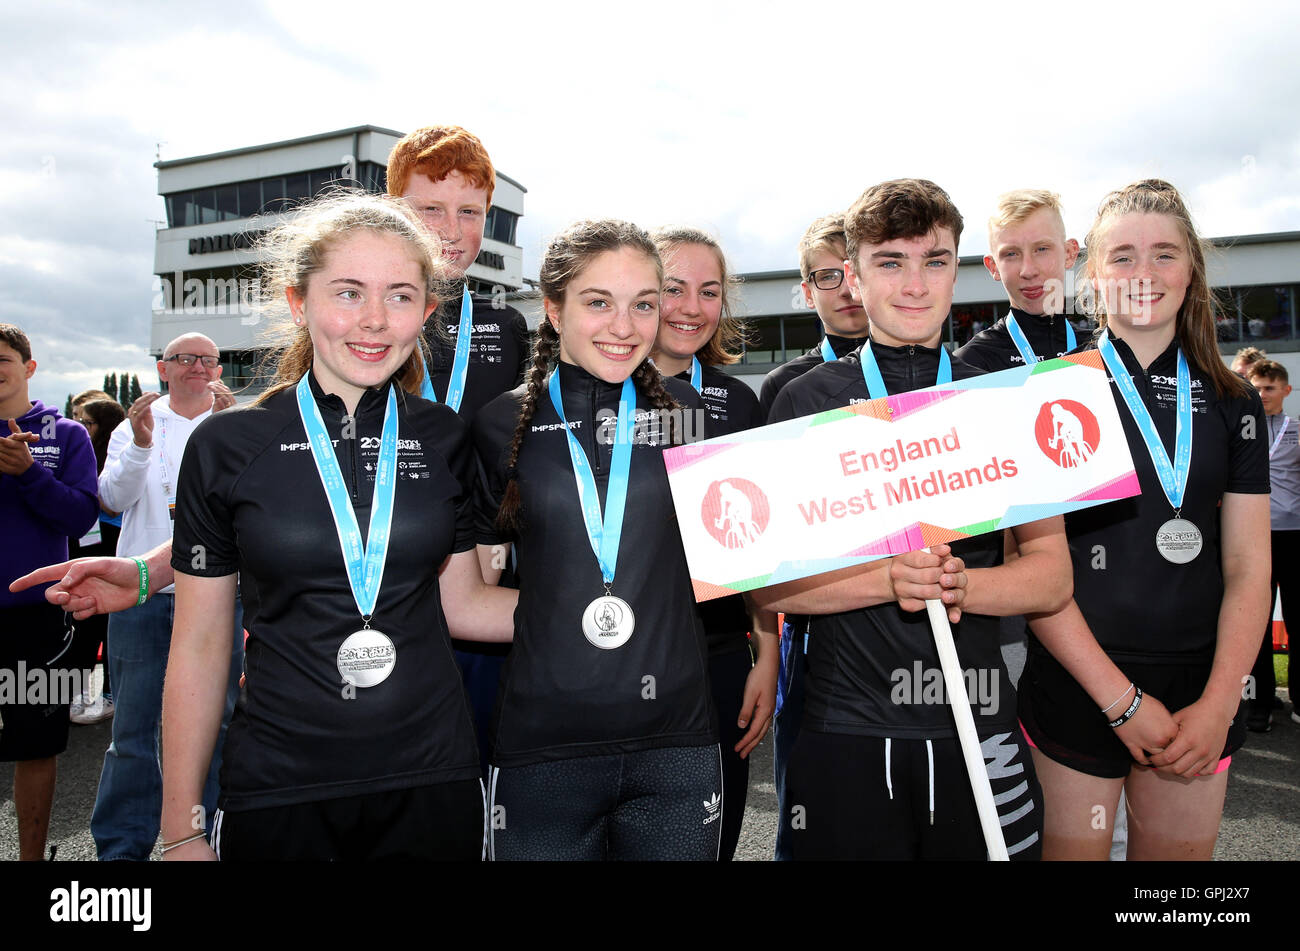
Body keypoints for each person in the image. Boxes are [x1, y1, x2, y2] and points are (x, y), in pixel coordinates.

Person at [157, 192, 517, 860]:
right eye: (348, 292)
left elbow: (463, 601)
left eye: (401, 296)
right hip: (279, 787)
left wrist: (644, 605)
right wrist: (180, 824)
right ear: (299, 302)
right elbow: (202, 645)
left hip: (434, 778)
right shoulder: (227, 445)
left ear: (427, 311)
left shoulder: (442, 437)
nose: (375, 320)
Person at [757, 179, 1072, 860]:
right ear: (854, 276)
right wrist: (892, 579)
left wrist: (960, 586)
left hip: (978, 723)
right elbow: (767, 588)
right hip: (846, 729)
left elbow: (1050, 579)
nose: (914, 284)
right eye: (890, 262)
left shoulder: (1003, 401)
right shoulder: (802, 401)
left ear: (956, 270)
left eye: (934, 261)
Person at [1018, 179, 1271, 860]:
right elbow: (1039, 573)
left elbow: (1249, 566)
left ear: (1191, 270)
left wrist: (1220, 702)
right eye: (1122, 256)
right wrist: (1121, 702)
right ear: (1093, 274)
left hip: (1199, 692)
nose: (1144, 274)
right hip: (1079, 681)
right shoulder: (1052, 388)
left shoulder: (1232, 398)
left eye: (1164, 254)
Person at [473, 219, 720, 860]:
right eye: (597, 302)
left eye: (642, 303)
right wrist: (558, 615)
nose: (623, 325)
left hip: (677, 743)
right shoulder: (500, 424)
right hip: (542, 745)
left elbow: (747, 558)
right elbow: (464, 595)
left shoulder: (691, 419)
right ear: (553, 310)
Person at [386, 125, 533, 772]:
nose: (451, 227)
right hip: (377, 587)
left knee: (475, 780)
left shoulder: (506, 325)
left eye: (469, 211)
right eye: (430, 209)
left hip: (483, 582)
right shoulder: (366, 318)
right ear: (394, 211)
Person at [648, 226, 776, 861]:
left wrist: (767, 654)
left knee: (715, 840)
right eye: (673, 289)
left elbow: (758, 545)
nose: (691, 309)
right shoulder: (589, 394)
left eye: (709, 292)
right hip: (619, 659)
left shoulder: (738, 401)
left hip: (719, 653)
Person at [90, 333, 243, 860]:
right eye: (185, 359)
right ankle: (121, 851)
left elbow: (239, 504)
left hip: (215, 595)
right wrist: (139, 443)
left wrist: (222, 428)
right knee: (132, 728)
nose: (199, 367)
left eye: (208, 359)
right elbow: (112, 497)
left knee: (218, 724)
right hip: (140, 598)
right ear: (163, 369)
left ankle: (211, 838)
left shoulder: (234, 424)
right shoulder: (135, 426)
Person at [758, 213, 870, 860]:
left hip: (916, 630)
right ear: (806, 289)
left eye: (854, 269)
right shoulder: (786, 387)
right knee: (808, 820)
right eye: (828, 275)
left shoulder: (935, 370)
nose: (846, 288)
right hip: (816, 633)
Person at [0, 323, 99, 860]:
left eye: (4, 358)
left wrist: (27, 473)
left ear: (29, 367)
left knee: (35, 744)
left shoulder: (65, 435)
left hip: (37, 619)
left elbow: (82, 516)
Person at [956, 189, 1081, 371]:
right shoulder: (970, 364)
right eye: (1011, 254)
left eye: (1042, 249)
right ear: (994, 267)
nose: (1028, 271)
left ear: (1069, 254)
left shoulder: (1101, 351)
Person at [1244, 360, 1298, 732]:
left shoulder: (1296, 429)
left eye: (1270, 388)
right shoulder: (1240, 427)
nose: (1263, 395)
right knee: (1254, 622)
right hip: (1250, 537)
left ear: (1286, 391)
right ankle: (1259, 703)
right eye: (1257, 387)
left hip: (1293, 535)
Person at [67, 393, 126, 725]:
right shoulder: (75, 453)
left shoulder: (115, 456)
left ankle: (109, 693)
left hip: (113, 546)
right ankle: (76, 692)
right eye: (76, 418)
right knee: (80, 624)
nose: (79, 426)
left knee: (109, 625)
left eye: (86, 421)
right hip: (82, 547)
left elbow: (114, 504)